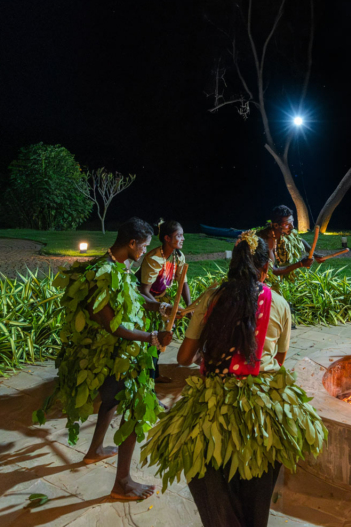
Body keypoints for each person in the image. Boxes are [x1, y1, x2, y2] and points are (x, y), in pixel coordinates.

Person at [142, 230, 327, 527]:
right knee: (257, 498)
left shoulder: (211, 298)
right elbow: (278, 361)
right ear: (265, 269)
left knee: (210, 485)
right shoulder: (278, 303)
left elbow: (183, 359)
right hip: (265, 409)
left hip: (210, 403)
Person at [34, 217, 172, 500]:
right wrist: (152, 338)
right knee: (133, 411)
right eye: (144, 246)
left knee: (111, 400)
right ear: (132, 243)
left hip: (117, 353)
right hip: (111, 354)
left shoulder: (118, 266)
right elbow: (114, 327)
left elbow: (133, 294)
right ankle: (122, 482)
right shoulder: (102, 273)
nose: (145, 251)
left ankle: (94, 450)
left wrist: (160, 307)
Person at [139, 220, 191, 383]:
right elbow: (143, 290)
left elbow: (183, 283)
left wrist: (189, 308)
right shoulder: (154, 258)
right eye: (179, 236)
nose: (183, 239)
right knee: (153, 337)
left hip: (160, 298)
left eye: (183, 235)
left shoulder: (178, 256)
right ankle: (148, 377)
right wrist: (161, 309)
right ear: (167, 238)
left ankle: (155, 374)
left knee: (164, 335)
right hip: (146, 299)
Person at [257, 205, 323, 278]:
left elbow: (299, 241)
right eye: (287, 224)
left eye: (292, 222)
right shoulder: (267, 241)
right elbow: (272, 271)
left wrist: (314, 254)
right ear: (276, 225)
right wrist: (300, 264)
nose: (292, 227)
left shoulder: (283, 231)